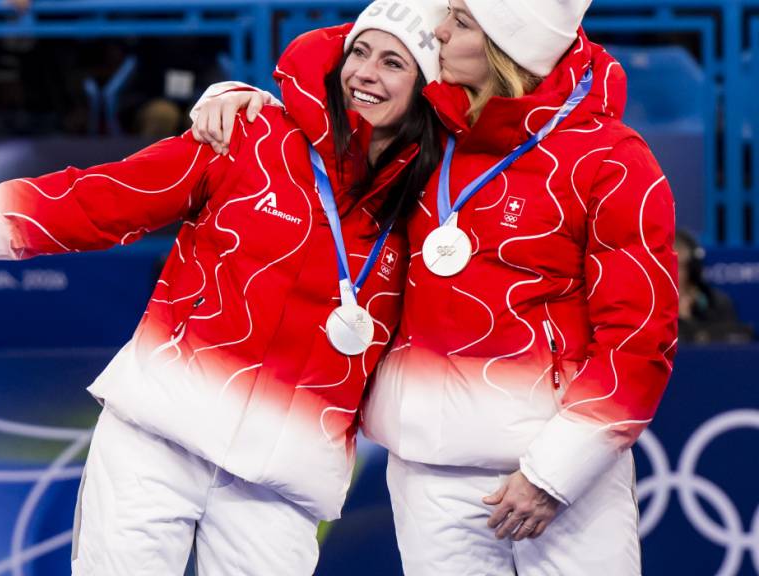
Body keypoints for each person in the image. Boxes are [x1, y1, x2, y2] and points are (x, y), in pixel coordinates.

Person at [0, 1, 446, 572]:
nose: (365, 72)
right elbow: (104, 197)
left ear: (427, 88)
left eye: (393, 63)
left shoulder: (429, 202)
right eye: (359, 51)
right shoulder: (251, 135)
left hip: (283, 478)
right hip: (158, 436)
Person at [193, 0, 679, 573]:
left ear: (507, 53)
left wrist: (556, 472)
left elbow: (639, 336)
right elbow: (343, 82)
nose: (440, 31)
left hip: (562, 477)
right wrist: (237, 101)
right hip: (428, 474)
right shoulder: (422, 135)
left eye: (462, 23)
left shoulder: (611, 160)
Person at [675, 228, 752, 344]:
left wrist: (688, 320)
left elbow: (733, 340)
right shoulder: (647, 308)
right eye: (669, 265)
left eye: (680, 266)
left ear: (693, 269)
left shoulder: (715, 302)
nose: (673, 272)